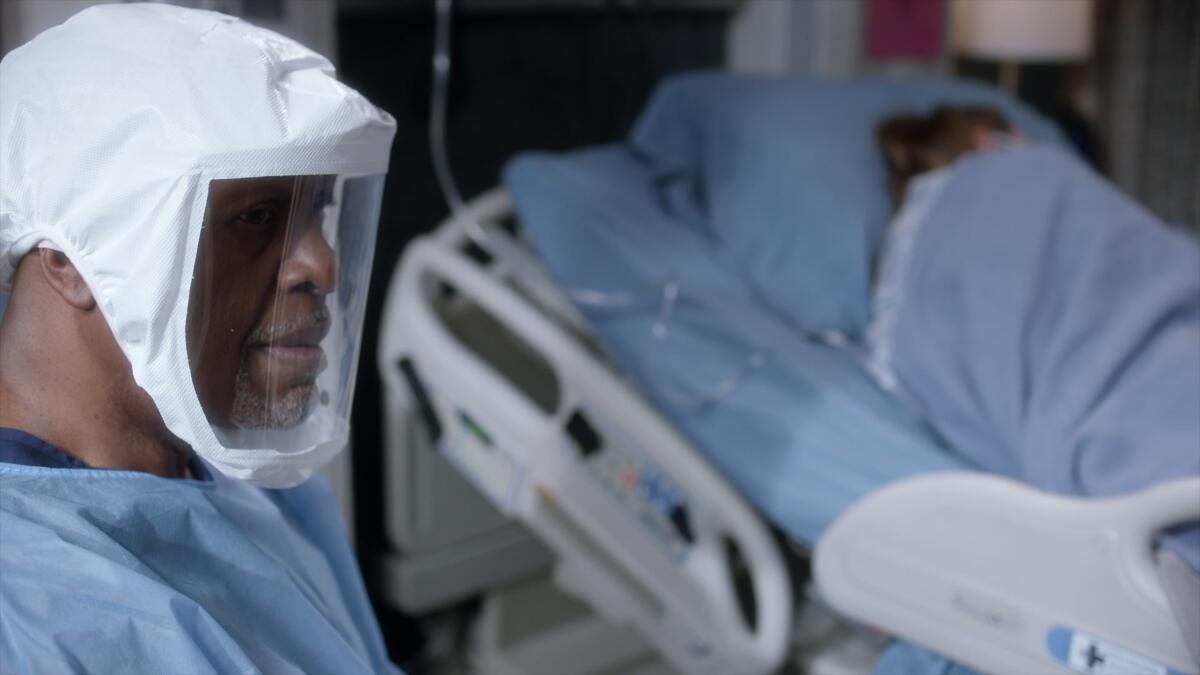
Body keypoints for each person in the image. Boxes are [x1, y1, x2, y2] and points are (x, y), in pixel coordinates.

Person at [0, 4, 399, 672]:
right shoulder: (23, 619)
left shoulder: (260, 490)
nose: (322, 266)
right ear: (70, 261)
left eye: (318, 212)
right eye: (258, 216)